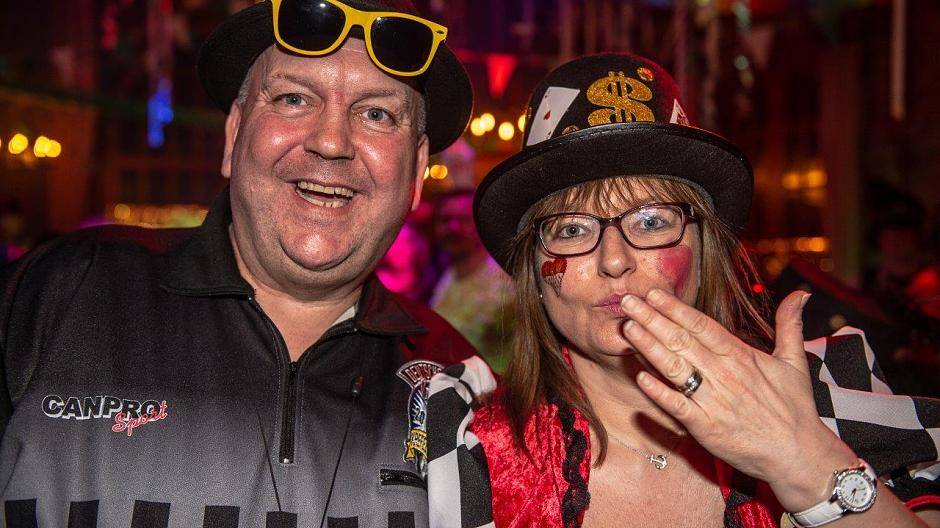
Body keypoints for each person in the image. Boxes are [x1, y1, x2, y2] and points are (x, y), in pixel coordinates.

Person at [0, 0, 475, 526]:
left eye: (377, 114)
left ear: (416, 171)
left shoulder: (459, 382)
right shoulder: (55, 297)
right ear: (232, 137)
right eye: (294, 98)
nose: (331, 142)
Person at [427, 53, 940, 527]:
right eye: (572, 229)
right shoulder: (467, 445)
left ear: (704, 250)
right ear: (537, 274)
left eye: (651, 221)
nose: (614, 260)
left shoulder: (827, 390)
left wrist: (803, 458)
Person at [430, 190, 513, 373]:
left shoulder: (507, 280)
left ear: (481, 224)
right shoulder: (443, 278)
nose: (453, 227)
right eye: (445, 220)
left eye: (463, 219)